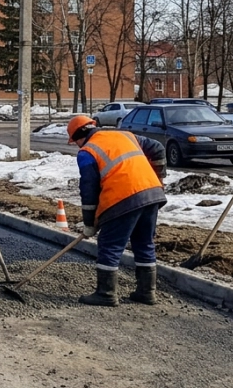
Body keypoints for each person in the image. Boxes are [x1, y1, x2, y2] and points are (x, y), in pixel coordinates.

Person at [67, 114, 167, 306]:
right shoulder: (125, 135)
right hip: (152, 194)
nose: (77, 146)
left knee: (109, 244)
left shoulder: (87, 152)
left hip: (123, 199)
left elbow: (88, 191)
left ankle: (106, 294)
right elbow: (158, 148)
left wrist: (89, 223)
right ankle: (147, 293)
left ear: (79, 137)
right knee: (144, 242)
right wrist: (159, 178)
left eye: (75, 142)